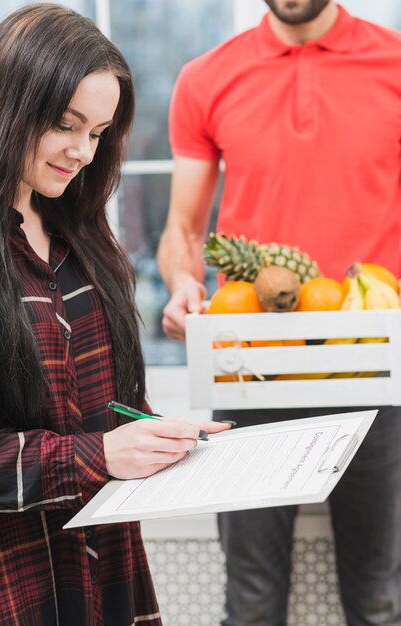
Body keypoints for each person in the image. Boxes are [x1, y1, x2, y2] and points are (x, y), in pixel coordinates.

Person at [0, 4, 231, 625]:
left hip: (105, 566)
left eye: (97, 133)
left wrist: (158, 435)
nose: (82, 152)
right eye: (66, 125)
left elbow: (96, 405)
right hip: (12, 575)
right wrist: (99, 457)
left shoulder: (80, 237)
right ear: (7, 104)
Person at [157, 1, 401, 625]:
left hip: (376, 374)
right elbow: (184, 229)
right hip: (249, 375)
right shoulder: (207, 77)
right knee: (252, 607)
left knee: (379, 603)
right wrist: (184, 284)